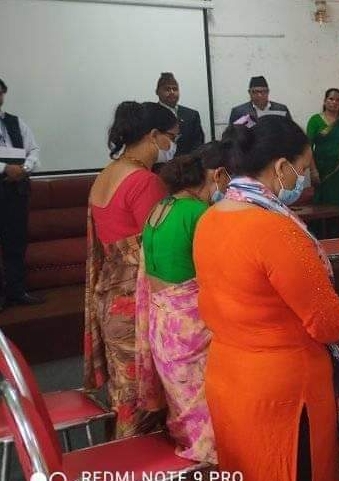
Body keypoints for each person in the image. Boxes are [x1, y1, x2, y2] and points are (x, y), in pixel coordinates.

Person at [193, 115, 339, 481]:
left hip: (228, 375)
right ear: (281, 167)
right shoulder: (276, 228)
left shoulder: (211, 217)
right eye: (303, 169)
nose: (303, 180)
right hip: (284, 393)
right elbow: (327, 322)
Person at [85, 101, 176, 438]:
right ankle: (139, 458)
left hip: (109, 297)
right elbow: (159, 252)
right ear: (153, 135)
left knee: (125, 392)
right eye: (171, 138)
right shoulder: (144, 182)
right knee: (145, 397)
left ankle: (121, 452)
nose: (172, 146)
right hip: (136, 303)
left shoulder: (105, 175)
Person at [136, 143, 229, 464]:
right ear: (211, 177)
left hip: (163, 324)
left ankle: (192, 461)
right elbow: (217, 271)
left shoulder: (160, 208)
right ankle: (210, 463)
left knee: (182, 402)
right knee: (205, 406)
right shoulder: (199, 213)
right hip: (190, 326)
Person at [0, 77, 44, 311]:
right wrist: (4, 168)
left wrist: (24, 168)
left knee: (16, 242)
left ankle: (17, 292)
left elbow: (33, 149)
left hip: (16, 190)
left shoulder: (16, 122)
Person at [307, 88, 339, 209]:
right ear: (325, 101)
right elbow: (308, 147)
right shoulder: (315, 120)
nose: (334, 102)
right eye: (331, 99)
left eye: (338, 100)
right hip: (322, 169)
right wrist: (313, 170)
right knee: (322, 203)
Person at [156, 72, 205, 157]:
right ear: (157, 92)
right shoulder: (149, 114)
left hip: (187, 163)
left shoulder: (192, 115)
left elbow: (198, 144)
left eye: (175, 89)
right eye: (167, 89)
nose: (172, 92)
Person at [227, 76, 293, 125]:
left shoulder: (281, 110)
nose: (259, 95)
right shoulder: (239, 112)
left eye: (263, 91)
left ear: (268, 92)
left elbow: (291, 131)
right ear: (249, 92)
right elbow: (232, 136)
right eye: (255, 92)